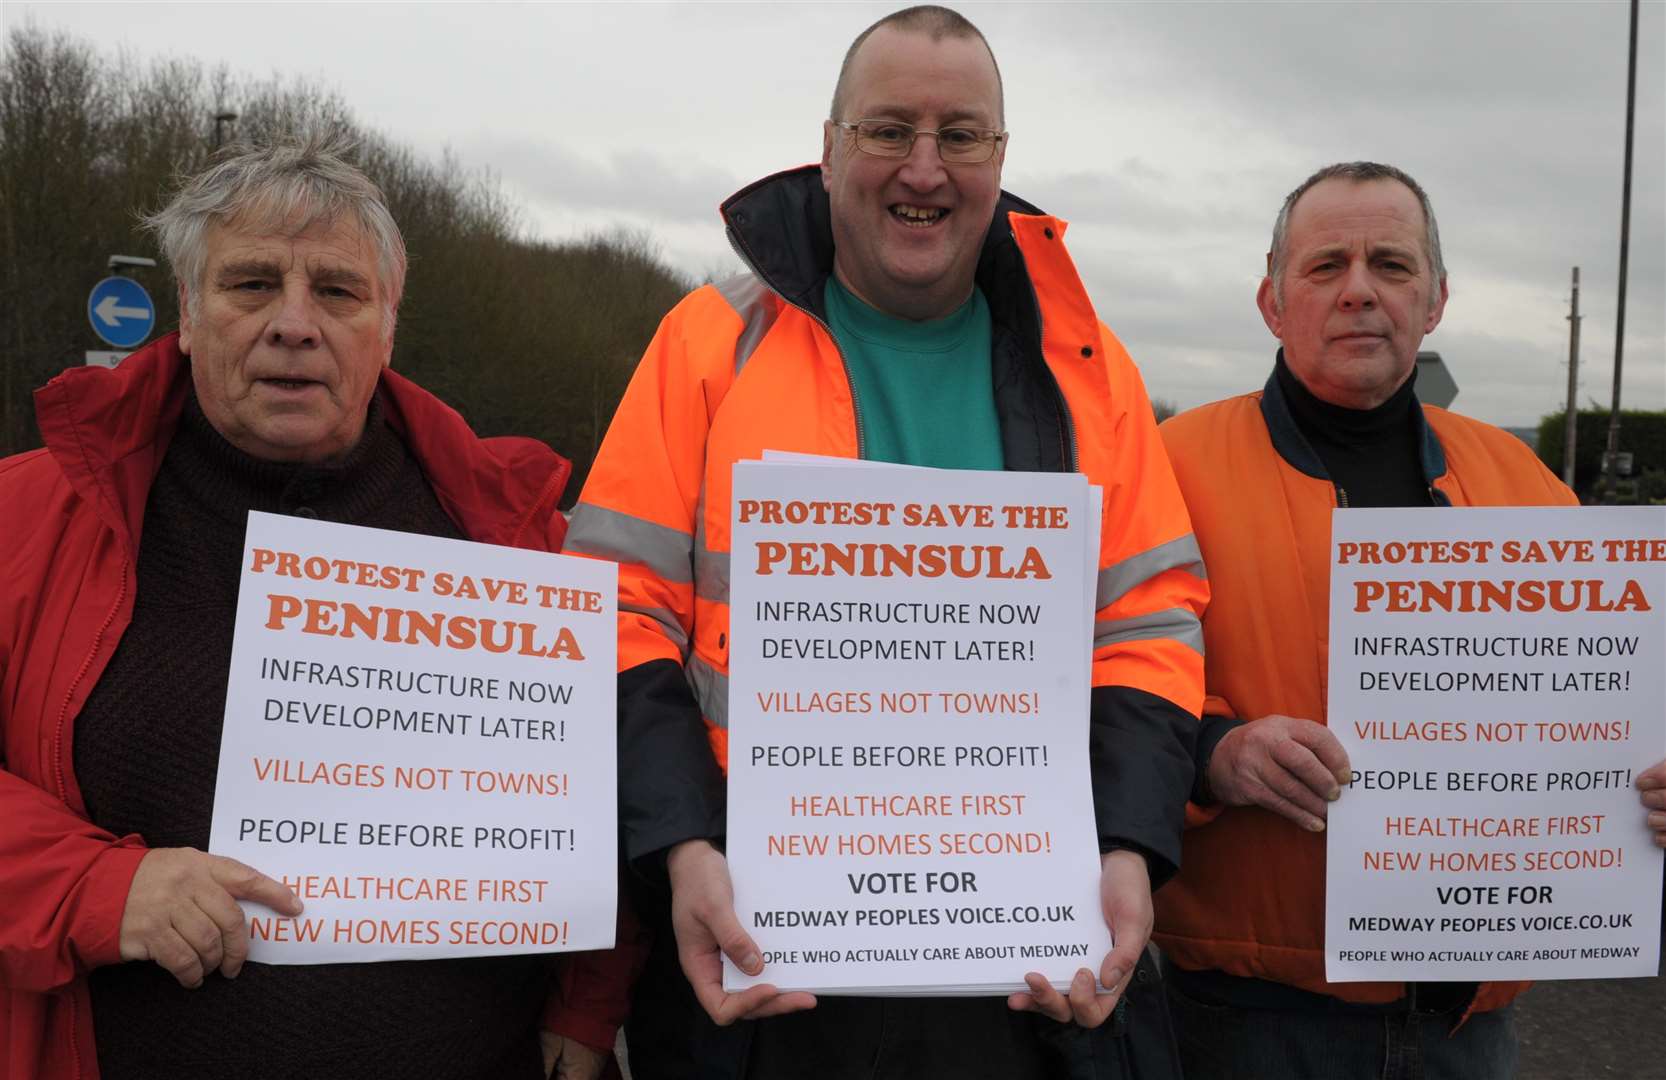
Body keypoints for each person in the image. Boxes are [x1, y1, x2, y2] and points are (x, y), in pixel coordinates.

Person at [565, 6, 1208, 1077]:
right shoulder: (708, 345)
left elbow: (1150, 624)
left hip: (1024, 985)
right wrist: (678, 847)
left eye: (960, 135)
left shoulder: (1093, 373)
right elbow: (614, 606)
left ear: (1000, 159)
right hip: (760, 965)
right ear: (827, 149)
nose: (924, 167)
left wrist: (1127, 846)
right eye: (885, 130)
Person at [0, 135, 637, 1080]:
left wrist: (589, 1008)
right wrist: (95, 887)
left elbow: (613, 796)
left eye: (336, 292)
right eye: (251, 284)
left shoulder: (523, 537)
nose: (294, 323)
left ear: (389, 319)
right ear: (185, 309)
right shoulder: (26, 515)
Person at [1155, 161, 1666, 1079]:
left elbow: (1620, 695)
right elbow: (1088, 690)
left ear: (1434, 301)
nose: (1359, 291)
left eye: (1391, 264)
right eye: (1325, 267)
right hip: (1245, 1025)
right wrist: (1214, 753)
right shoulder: (1168, 470)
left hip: (1469, 1031)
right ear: (1271, 301)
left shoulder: (1525, 483)